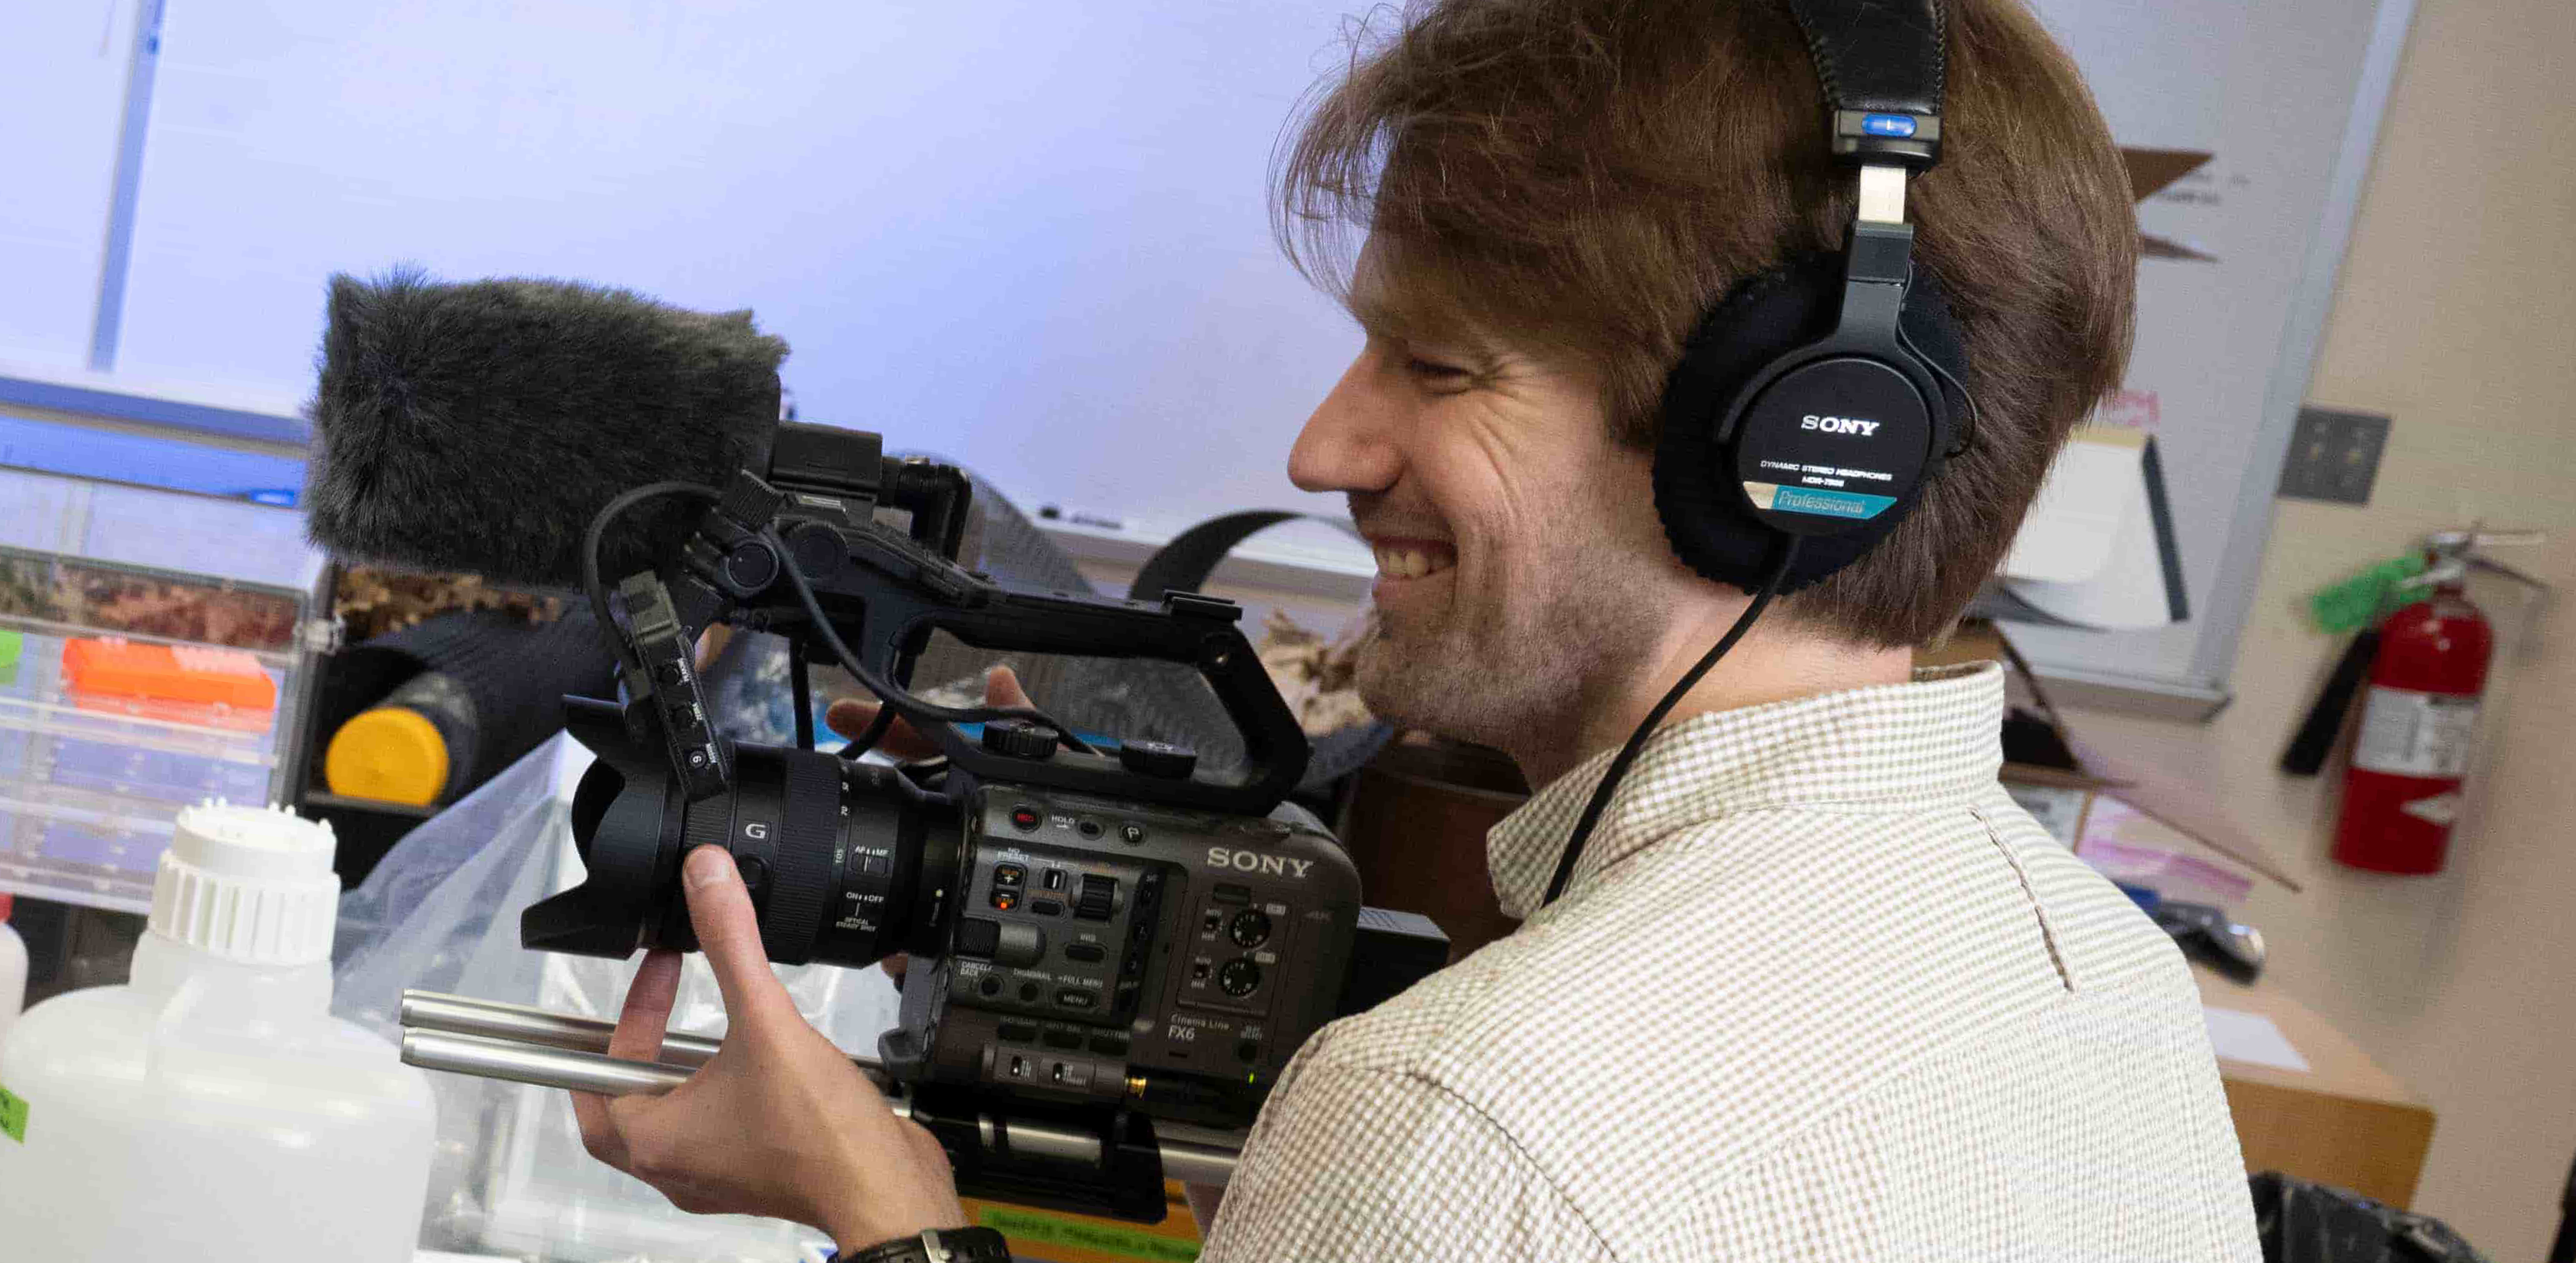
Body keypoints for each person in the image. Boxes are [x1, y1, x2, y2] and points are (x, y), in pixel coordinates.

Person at [567, 0, 2254, 1259]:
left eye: (1438, 367)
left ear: (1791, 437)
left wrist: (882, 1215)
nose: (1324, 452)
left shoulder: (1476, 1119)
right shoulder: (2095, 964)